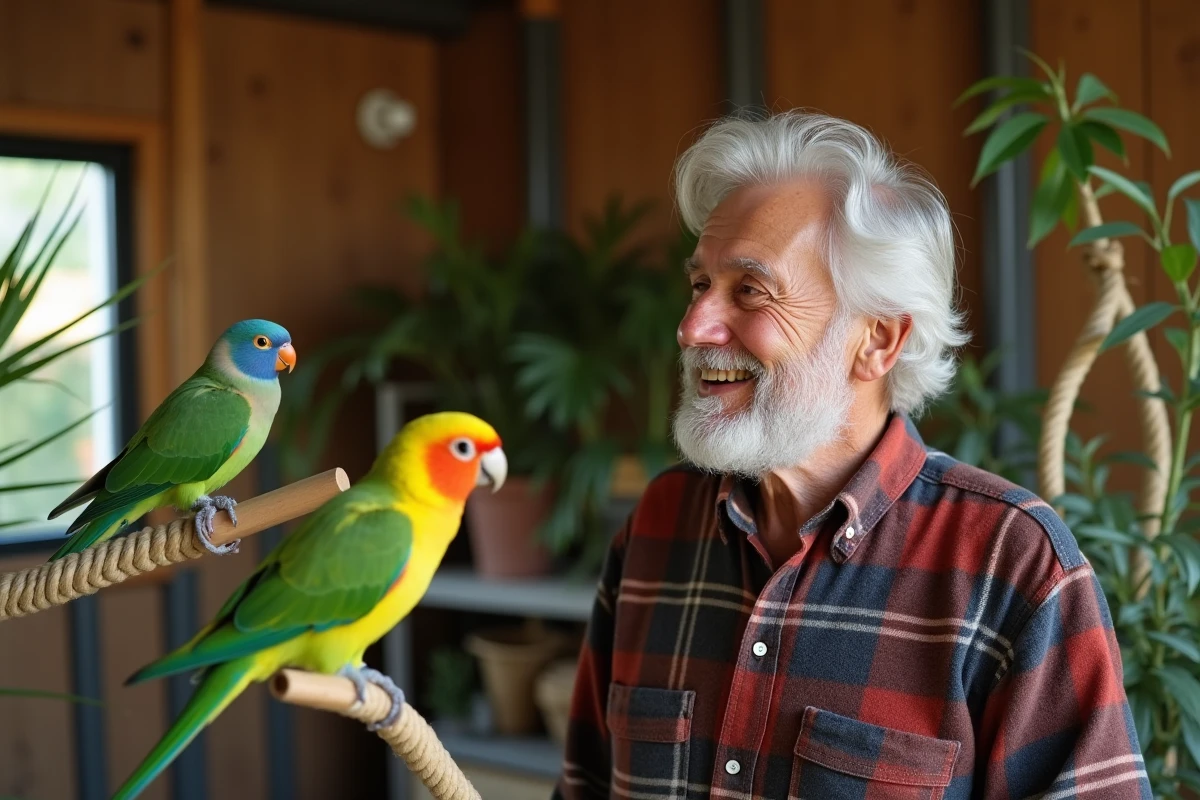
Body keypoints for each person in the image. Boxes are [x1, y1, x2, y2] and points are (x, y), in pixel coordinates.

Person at [551, 111, 1148, 799]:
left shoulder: (1011, 565)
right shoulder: (657, 524)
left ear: (878, 342)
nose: (692, 327)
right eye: (699, 286)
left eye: (750, 290)